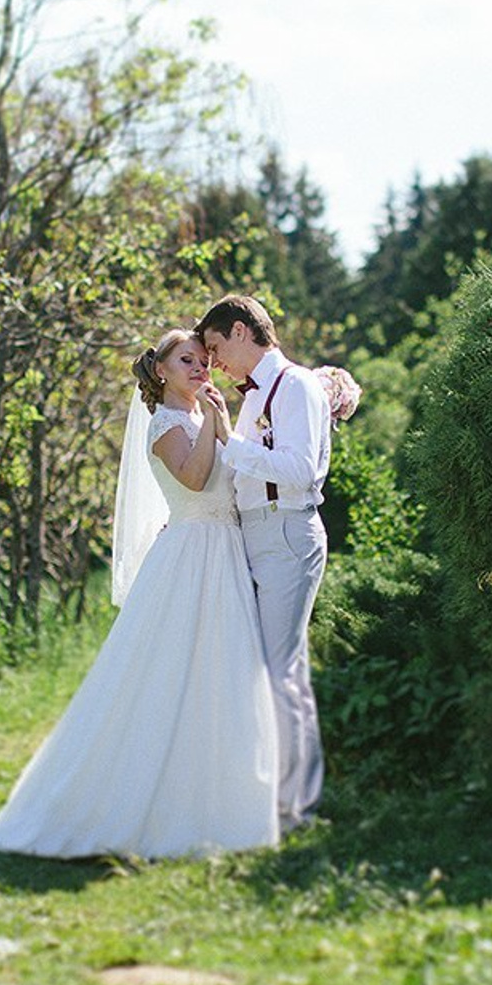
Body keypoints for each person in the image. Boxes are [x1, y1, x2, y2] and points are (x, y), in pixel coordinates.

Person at [0, 329, 279, 859]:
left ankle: (218, 806)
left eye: (204, 360)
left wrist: (224, 426)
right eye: (187, 360)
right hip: (191, 558)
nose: (201, 368)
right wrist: (217, 421)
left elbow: (234, 479)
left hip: (225, 552)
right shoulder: (166, 424)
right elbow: (194, 480)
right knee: (167, 676)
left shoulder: (201, 416)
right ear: (161, 370)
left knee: (220, 674)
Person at [197, 295, 332, 831]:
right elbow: (243, 475)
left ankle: (293, 809)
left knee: (281, 674)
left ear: (239, 331)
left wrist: (229, 441)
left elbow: (299, 471)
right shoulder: (254, 397)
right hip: (254, 535)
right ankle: (268, 796)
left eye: (214, 348)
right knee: (263, 672)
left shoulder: (296, 385)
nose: (213, 363)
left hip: (286, 533)